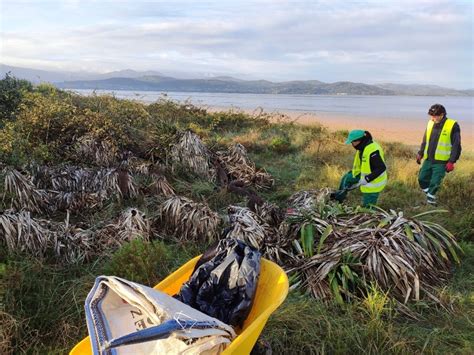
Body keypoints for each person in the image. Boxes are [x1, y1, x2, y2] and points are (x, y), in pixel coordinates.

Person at [416, 104, 461, 205]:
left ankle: (430, 202)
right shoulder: (430, 123)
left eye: (435, 116)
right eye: (431, 116)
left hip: (441, 162)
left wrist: (451, 161)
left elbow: (456, 145)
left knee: (435, 182)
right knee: (421, 179)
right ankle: (429, 195)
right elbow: (425, 139)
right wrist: (420, 152)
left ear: (442, 114)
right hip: (428, 159)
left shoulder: (453, 125)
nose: (432, 118)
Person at [332, 130, 387, 207]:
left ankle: (368, 212)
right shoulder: (362, 146)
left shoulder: (373, 150)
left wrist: (367, 179)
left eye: (352, 142)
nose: (352, 144)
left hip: (374, 182)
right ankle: (338, 199)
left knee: (368, 208)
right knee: (346, 178)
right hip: (361, 174)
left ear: (359, 140)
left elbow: (381, 168)